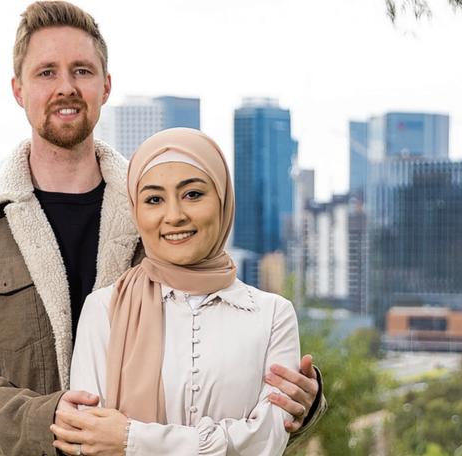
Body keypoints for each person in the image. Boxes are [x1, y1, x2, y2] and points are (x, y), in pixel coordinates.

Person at [0, 2, 325, 455]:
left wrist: (299, 397)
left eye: (82, 71)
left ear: (105, 86)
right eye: (46, 72)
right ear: (17, 89)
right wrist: (47, 422)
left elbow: (228, 341)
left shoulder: (160, 213)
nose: (66, 87)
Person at [52, 128, 299, 456]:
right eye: (154, 199)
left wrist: (130, 440)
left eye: (193, 194)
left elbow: (267, 442)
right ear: (136, 212)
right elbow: (90, 439)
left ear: (223, 198)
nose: (175, 216)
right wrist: (229, 439)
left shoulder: (272, 315)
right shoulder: (103, 308)